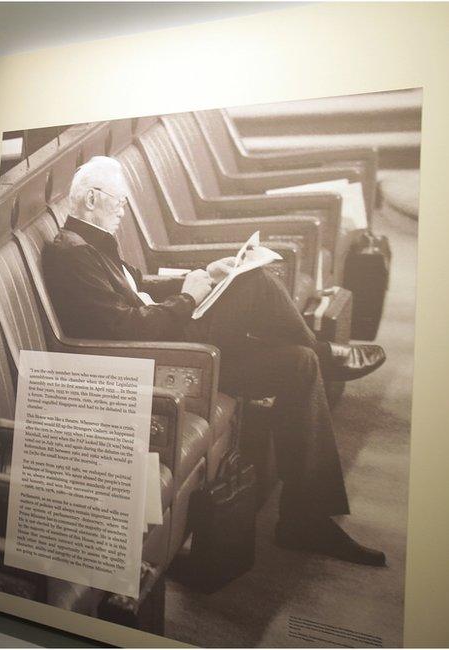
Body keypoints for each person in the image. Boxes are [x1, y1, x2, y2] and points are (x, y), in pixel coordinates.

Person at [42, 156, 387, 566]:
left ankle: (304, 519)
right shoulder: (74, 254)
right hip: (163, 361)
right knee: (254, 281)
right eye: (118, 203)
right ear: (93, 199)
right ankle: (325, 353)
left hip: (174, 344)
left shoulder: (92, 243)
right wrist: (188, 299)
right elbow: (123, 328)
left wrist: (204, 273)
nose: (122, 211)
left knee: (297, 364)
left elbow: (139, 287)